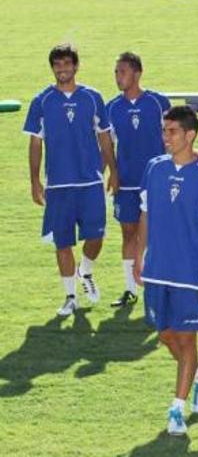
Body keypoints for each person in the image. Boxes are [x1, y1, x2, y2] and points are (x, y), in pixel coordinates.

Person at [133, 106, 198, 435]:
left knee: (186, 339)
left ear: (190, 135)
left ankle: (177, 409)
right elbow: (145, 214)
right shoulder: (154, 168)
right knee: (164, 335)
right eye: (164, 130)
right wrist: (138, 255)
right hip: (157, 269)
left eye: (172, 131)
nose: (165, 137)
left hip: (191, 272)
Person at [24, 43, 118, 316]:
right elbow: (35, 143)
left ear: (76, 66)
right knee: (62, 242)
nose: (62, 69)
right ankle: (70, 296)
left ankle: (85, 270)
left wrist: (113, 170)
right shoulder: (41, 101)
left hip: (90, 182)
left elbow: (104, 137)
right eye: (57, 65)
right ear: (53, 68)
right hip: (58, 185)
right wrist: (34, 180)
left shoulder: (92, 97)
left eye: (67, 64)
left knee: (96, 237)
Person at [106, 52, 170, 308]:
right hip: (127, 182)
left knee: (158, 235)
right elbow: (107, 146)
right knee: (128, 233)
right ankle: (130, 289)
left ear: (137, 73)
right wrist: (109, 173)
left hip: (155, 181)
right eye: (116, 72)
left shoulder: (158, 103)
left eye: (122, 72)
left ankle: (161, 288)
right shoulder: (111, 107)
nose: (118, 77)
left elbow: (173, 139)